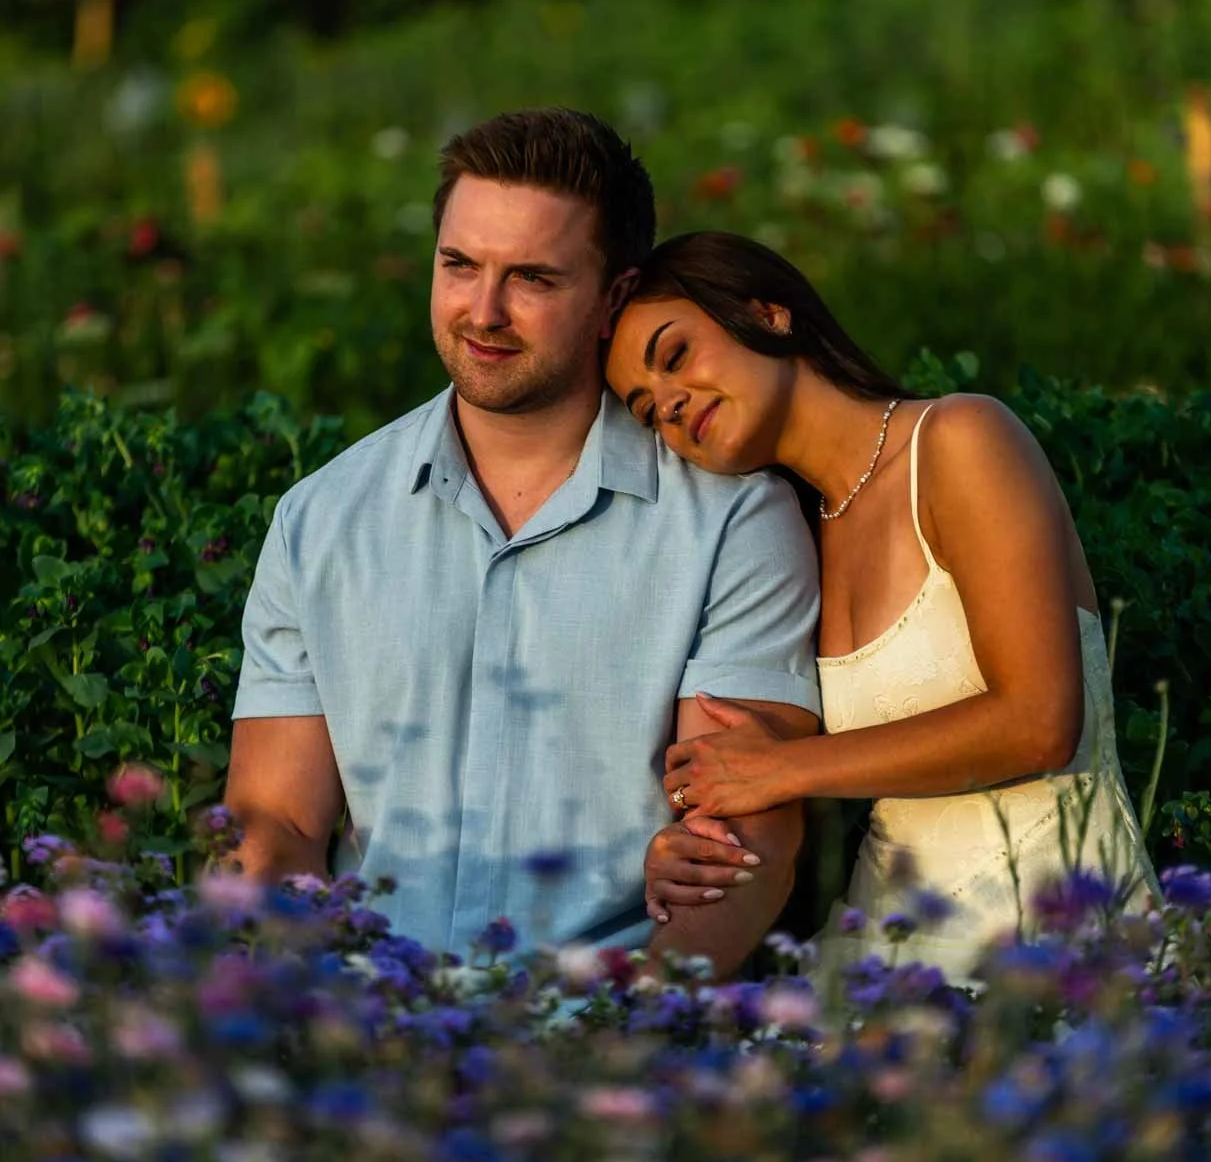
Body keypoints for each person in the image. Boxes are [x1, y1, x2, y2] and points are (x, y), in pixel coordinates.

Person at [225, 111, 821, 978]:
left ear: (613, 297)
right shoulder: (321, 518)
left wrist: (622, 1040)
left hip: (603, 1027)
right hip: (364, 1018)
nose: (484, 312)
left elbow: (743, 835)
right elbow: (274, 821)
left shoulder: (730, 521)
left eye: (533, 278)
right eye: (459, 265)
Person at [605, 231, 1160, 987]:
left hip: (1055, 935)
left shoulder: (960, 437)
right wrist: (688, 843)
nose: (666, 403)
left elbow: (1039, 723)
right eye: (644, 411)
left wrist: (783, 769)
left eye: (674, 356)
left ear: (769, 315)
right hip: (887, 948)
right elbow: (762, 787)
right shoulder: (794, 540)